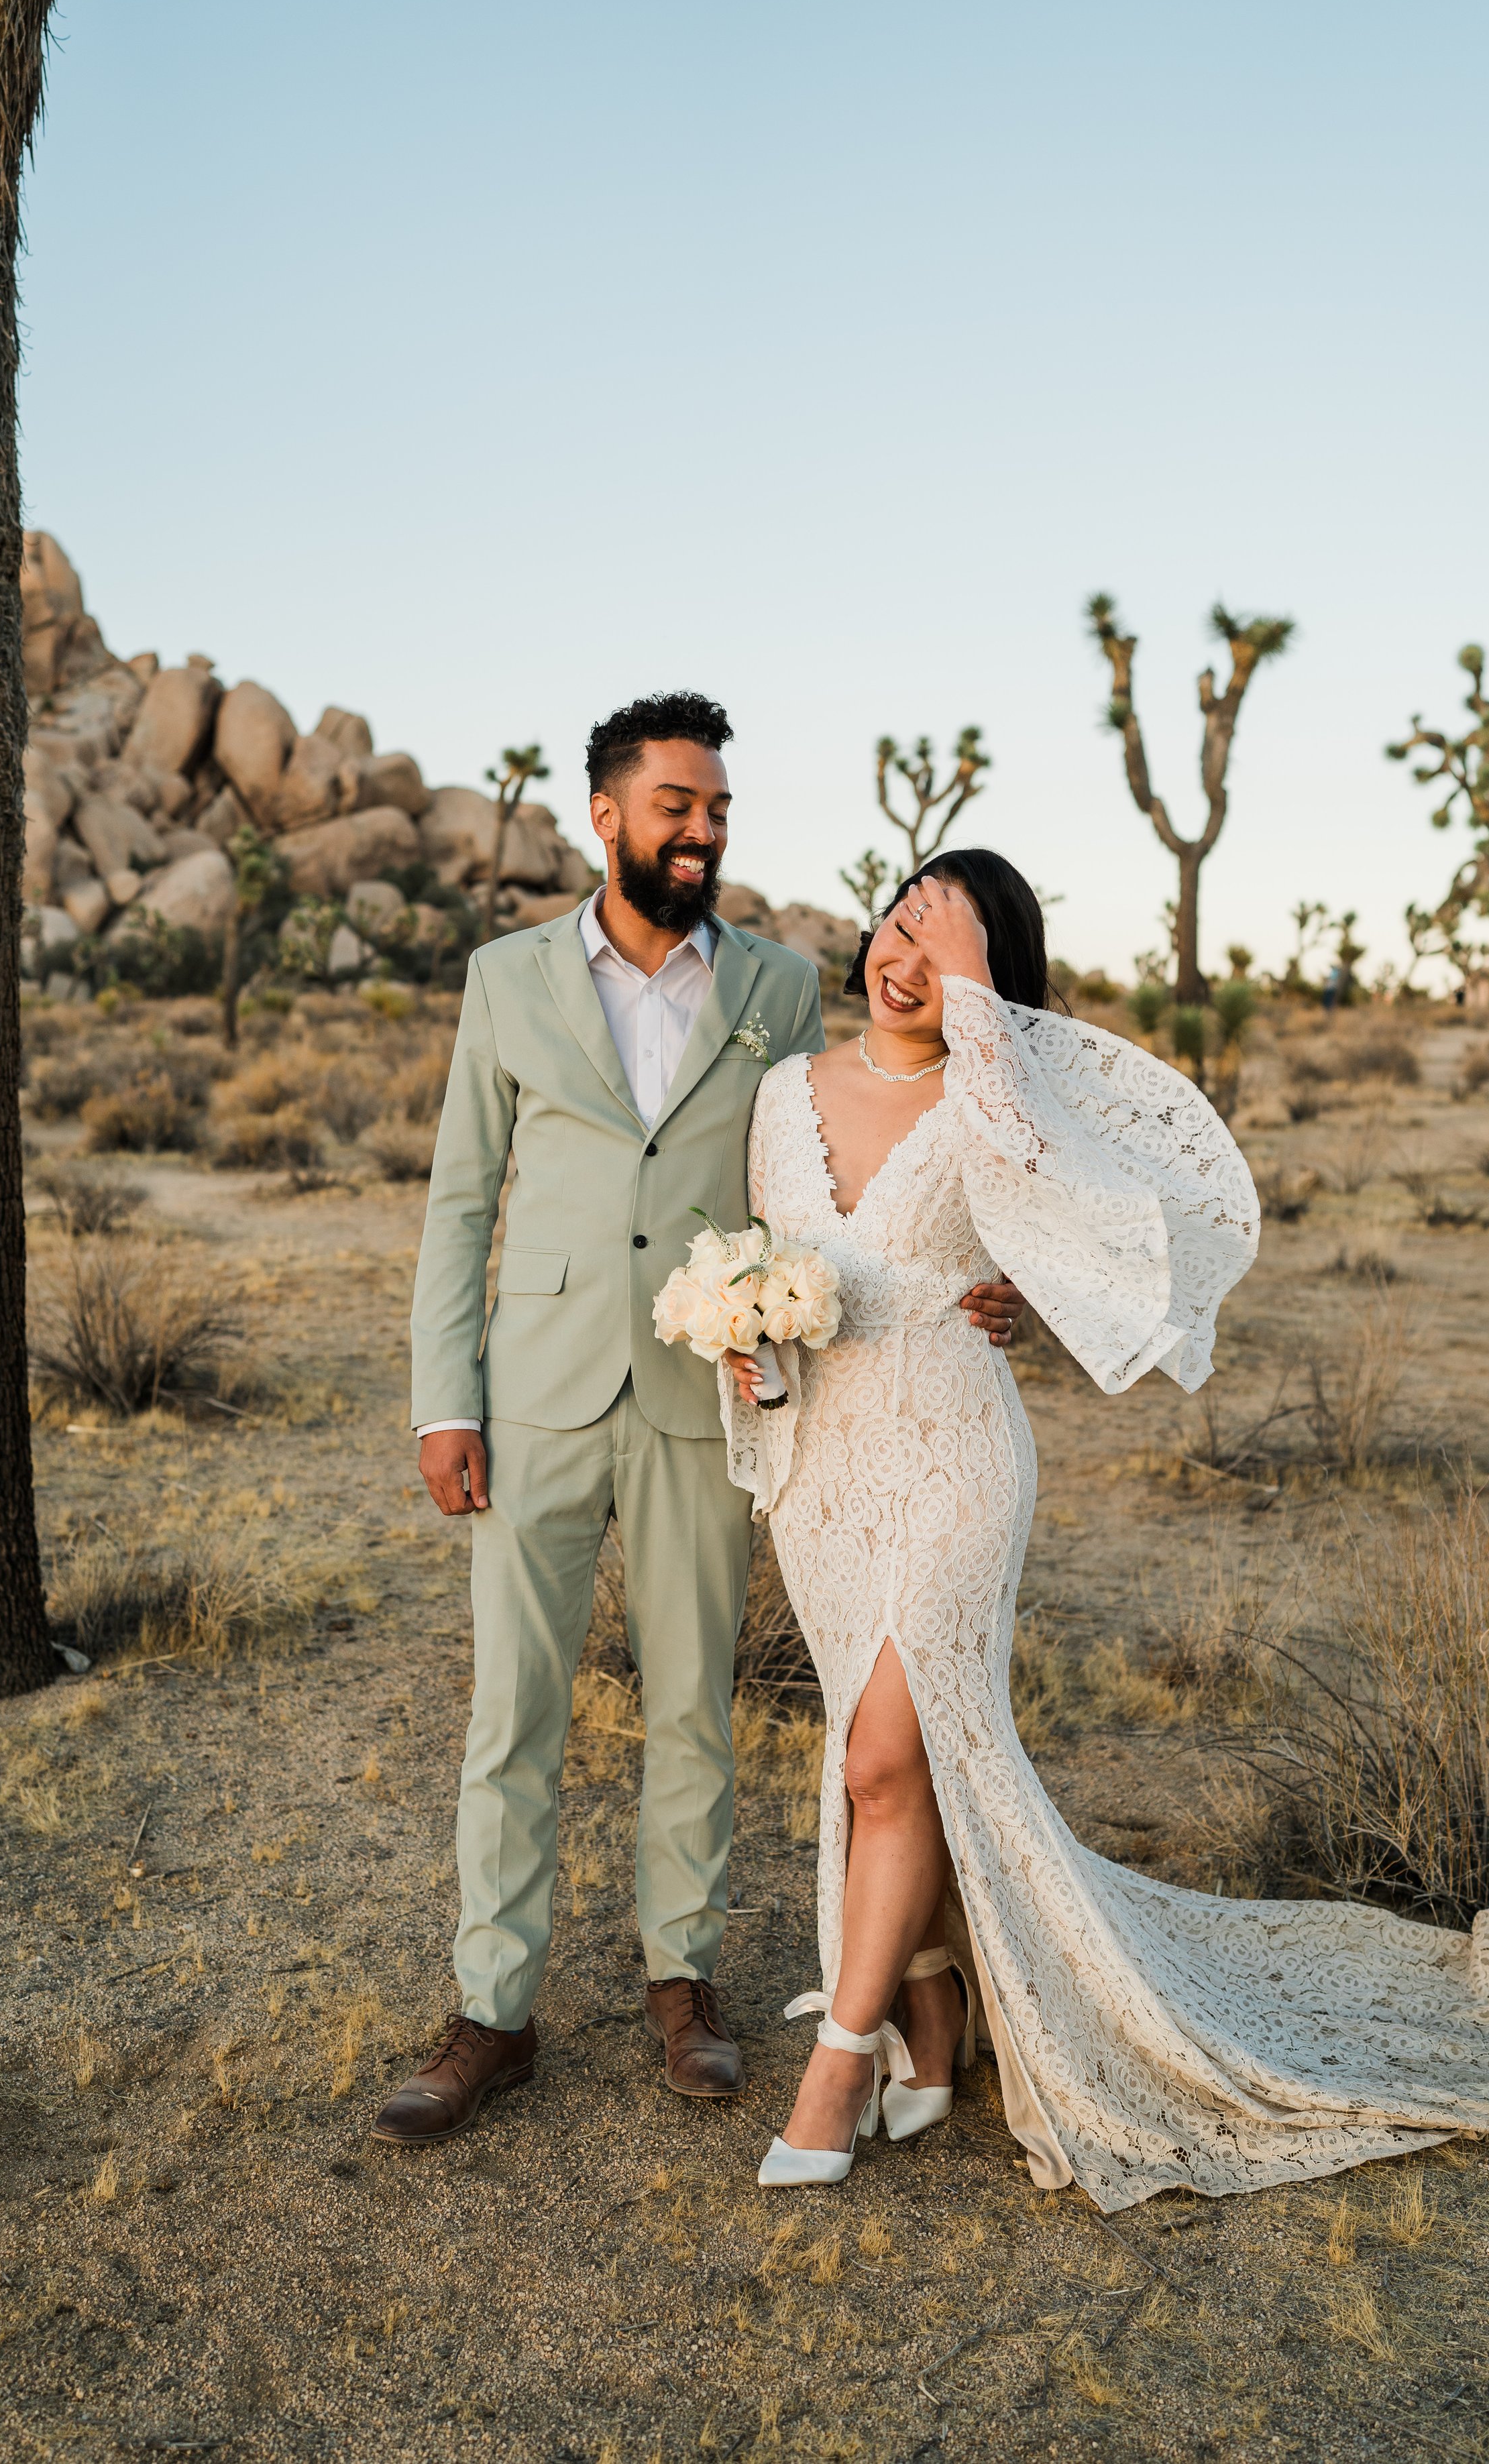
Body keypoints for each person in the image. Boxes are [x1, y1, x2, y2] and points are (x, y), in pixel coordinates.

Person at [720, 851, 1489, 2208]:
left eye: (942, 944)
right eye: (897, 922)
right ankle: (930, 2013)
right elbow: (775, 1265)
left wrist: (977, 1008)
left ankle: (840, 2055)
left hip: (952, 1454)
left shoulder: (997, 1101)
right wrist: (745, 1339)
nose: (902, 956)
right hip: (824, 1467)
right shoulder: (779, 1098)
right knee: (892, 1763)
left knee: (890, 1747)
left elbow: (1075, 1204)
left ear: (987, 978)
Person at [373, 699, 1024, 2145]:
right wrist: (445, 1398)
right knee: (512, 1710)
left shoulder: (781, 989)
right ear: (603, 814)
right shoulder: (507, 977)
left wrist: (989, 1281)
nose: (702, 829)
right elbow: (460, 1202)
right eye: (675, 803)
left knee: (693, 1703)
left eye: (717, 806)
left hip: (707, 1395)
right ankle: (492, 2011)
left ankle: (685, 1980)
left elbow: (848, 1163)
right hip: (533, 1392)